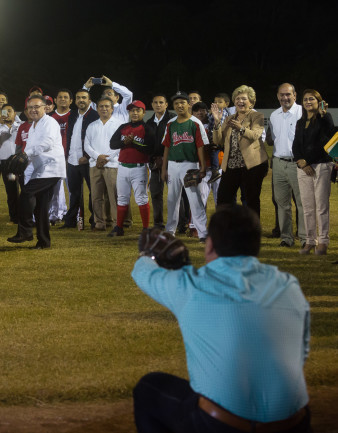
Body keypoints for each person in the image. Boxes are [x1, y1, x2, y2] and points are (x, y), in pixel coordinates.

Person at [131, 204, 311, 433]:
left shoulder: (191, 286)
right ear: (256, 245)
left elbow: (142, 272)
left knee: (148, 389)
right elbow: (301, 354)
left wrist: (147, 255)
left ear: (210, 245)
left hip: (221, 425)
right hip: (294, 424)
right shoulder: (289, 285)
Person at [7, 95, 66, 249]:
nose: (33, 110)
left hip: (51, 168)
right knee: (41, 207)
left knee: (26, 193)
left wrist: (26, 155)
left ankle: (25, 231)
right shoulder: (34, 125)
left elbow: (47, 143)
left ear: (45, 107)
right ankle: (44, 241)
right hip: (41, 169)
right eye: (30, 107)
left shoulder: (50, 122)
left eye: (37, 107)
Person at [211, 85, 269, 217]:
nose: (240, 101)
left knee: (251, 200)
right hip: (231, 165)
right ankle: (226, 231)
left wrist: (241, 128)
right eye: (237, 99)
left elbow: (255, 135)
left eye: (244, 98)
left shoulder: (257, 116)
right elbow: (218, 141)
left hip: (252, 165)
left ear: (251, 102)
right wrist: (217, 123)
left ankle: (252, 232)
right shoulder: (228, 118)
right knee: (223, 200)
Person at [161, 91, 208, 243]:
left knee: (195, 200)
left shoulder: (195, 123)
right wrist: (164, 168)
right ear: (173, 106)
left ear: (189, 104)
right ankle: (170, 232)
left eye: (182, 102)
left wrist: (202, 167)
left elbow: (201, 146)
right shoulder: (171, 123)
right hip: (173, 165)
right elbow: (167, 146)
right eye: (176, 103)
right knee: (172, 200)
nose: (179, 105)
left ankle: (203, 233)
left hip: (190, 165)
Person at [293, 89, 335, 255]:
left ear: (319, 101)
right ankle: (310, 241)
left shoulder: (325, 119)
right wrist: (301, 161)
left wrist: (323, 115)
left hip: (321, 166)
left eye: (312, 99)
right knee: (308, 207)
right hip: (303, 168)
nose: (308, 102)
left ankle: (323, 241)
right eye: (305, 99)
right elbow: (295, 144)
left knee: (321, 206)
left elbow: (329, 139)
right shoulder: (301, 122)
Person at [108, 100, 155, 235]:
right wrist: (124, 142)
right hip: (122, 167)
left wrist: (132, 143)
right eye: (132, 110)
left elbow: (150, 149)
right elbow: (112, 144)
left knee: (141, 198)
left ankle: (146, 229)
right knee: (122, 198)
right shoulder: (123, 127)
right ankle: (119, 227)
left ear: (143, 112)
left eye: (138, 110)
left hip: (139, 168)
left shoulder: (147, 129)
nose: (134, 113)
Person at [268, 83, 305, 248]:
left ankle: (306, 238)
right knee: (282, 203)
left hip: (297, 163)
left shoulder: (302, 112)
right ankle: (286, 238)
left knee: (303, 203)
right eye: (282, 95)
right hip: (278, 163)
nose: (285, 98)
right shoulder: (274, 115)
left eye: (288, 94)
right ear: (277, 96)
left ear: (295, 95)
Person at [60, 89, 99, 229]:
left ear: (89, 101)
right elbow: (69, 137)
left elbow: (96, 139)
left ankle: (95, 221)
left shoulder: (95, 116)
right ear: (75, 101)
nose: (81, 100)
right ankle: (71, 222)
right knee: (74, 193)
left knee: (93, 192)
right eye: (78, 98)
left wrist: (87, 156)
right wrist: (67, 155)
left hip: (87, 161)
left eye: (84, 97)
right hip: (72, 160)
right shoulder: (72, 116)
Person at [85, 97, 121, 232]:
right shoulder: (92, 125)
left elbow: (120, 145)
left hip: (112, 165)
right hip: (95, 165)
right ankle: (99, 222)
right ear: (97, 108)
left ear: (112, 108)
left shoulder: (118, 124)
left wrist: (106, 157)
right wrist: (97, 156)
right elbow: (86, 145)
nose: (104, 108)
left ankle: (117, 223)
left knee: (114, 196)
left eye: (107, 106)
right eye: (101, 106)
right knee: (96, 196)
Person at [0, 103, 22, 224]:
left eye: (10, 111)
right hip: (7, 164)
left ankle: (26, 215)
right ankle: (14, 217)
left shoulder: (20, 126)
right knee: (12, 190)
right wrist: (0, 125)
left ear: (15, 114)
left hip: (20, 161)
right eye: (4, 112)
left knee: (24, 189)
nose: (7, 113)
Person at [145, 94, 174, 230]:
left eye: (161, 102)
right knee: (156, 194)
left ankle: (180, 223)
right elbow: (147, 144)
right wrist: (151, 159)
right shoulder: (149, 123)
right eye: (155, 102)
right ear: (152, 105)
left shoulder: (173, 119)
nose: (158, 105)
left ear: (166, 104)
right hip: (155, 163)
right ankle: (158, 223)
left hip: (172, 163)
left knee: (175, 194)